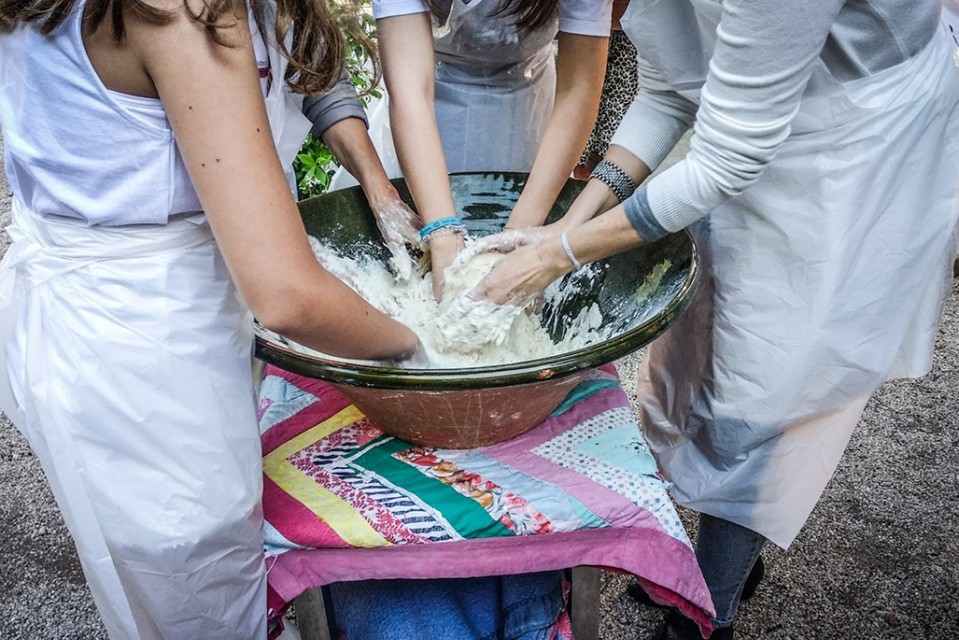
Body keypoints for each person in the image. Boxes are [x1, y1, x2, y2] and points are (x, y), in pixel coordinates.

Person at [462, 1, 959, 638]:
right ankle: (706, 549)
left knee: (772, 382)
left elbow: (726, 159)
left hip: (858, 143)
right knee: (698, 347)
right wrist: (566, 225)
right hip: (749, 131)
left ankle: (711, 607)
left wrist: (561, 256)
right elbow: (670, 94)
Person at [0, 0, 426, 638]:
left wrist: (374, 178)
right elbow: (285, 294)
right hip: (148, 360)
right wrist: (415, 348)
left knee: (149, 584)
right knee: (200, 593)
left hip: (90, 329)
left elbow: (295, 50)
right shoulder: (178, 13)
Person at [373, 0, 613, 296]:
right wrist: (443, 232)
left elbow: (579, 88)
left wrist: (518, 237)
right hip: (429, 105)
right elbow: (412, 93)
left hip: (527, 104)